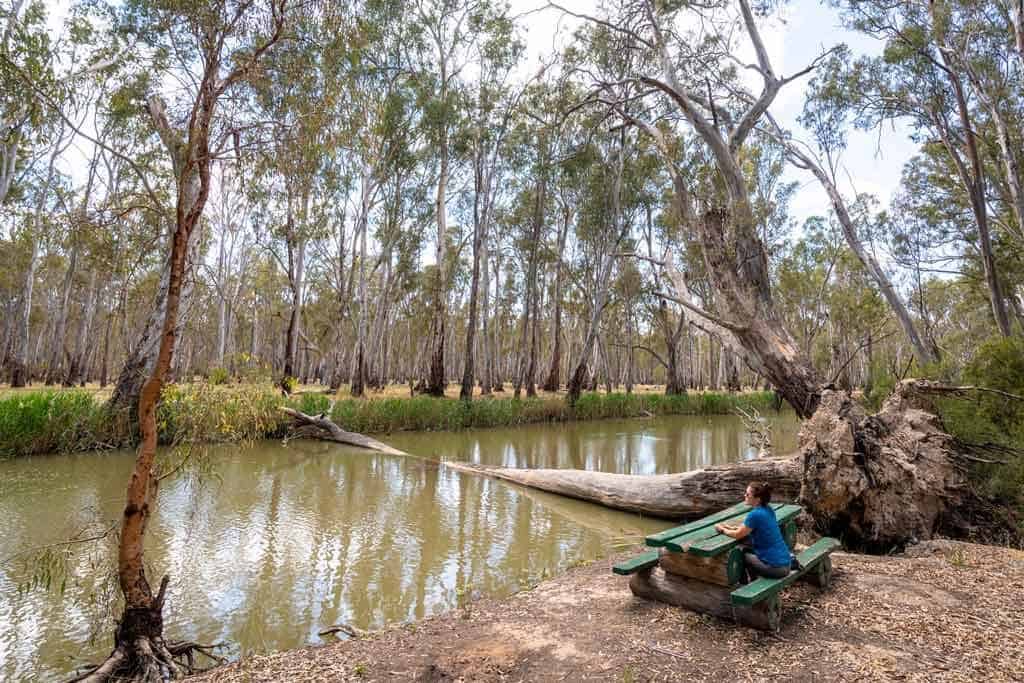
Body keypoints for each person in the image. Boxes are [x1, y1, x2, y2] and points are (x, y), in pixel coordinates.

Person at [714, 482, 792, 582]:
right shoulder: (768, 509)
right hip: (787, 563)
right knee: (748, 546)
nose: (745, 496)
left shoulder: (755, 515)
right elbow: (747, 528)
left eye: (747, 494)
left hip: (776, 569)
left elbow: (737, 535)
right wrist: (730, 527)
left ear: (757, 499)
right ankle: (752, 579)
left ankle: (743, 584)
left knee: (741, 554)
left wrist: (722, 530)